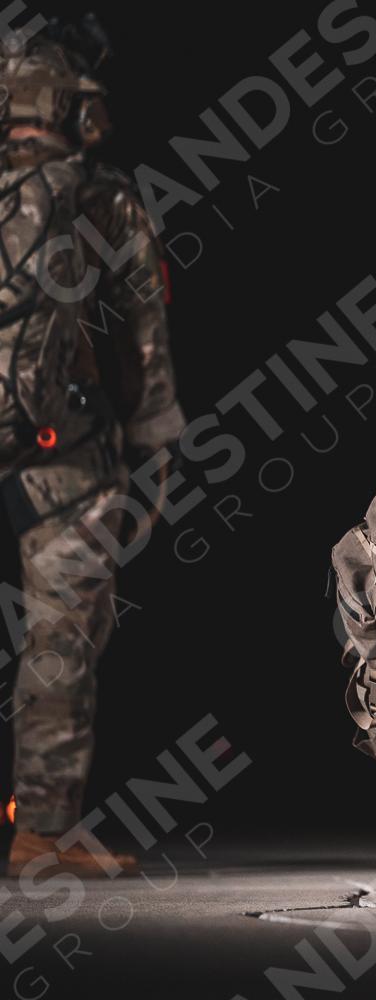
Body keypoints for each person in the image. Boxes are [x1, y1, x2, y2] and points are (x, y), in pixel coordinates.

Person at [0, 25, 185, 877]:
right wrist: (154, 450)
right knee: (61, 636)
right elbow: (144, 340)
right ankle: (39, 832)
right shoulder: (101, 197)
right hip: (62, 450)